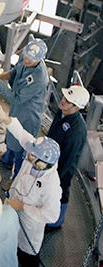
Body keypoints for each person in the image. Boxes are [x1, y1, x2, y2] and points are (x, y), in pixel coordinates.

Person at [0, 102, 61, 267]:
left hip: (31, 227)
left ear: (44, 163)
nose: (28, 156)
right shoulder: (36, 153)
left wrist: (22, 207)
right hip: (13, 209)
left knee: (28, 258)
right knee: (11, 244)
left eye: (33, 157)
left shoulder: (51, 186)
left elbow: (52, 215)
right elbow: (22, 134)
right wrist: (5, 118)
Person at [0, 37, 49, 182]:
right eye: (25, 56)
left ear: (39, 60)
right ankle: (7, 159)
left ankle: (15, 179)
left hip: (28, 114)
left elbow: (16, 98)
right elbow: (14, 72)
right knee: (11, 135)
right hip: (17, 108)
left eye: (30, 60)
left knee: (22, 147)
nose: (26, 60)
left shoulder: (39, 78)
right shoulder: (25, 57)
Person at [46, 81, 89, 229]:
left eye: (68, 101)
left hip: (62, 168)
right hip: (51, 158)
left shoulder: (76, 132)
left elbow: (67, 160)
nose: (63, 101)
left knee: (61, 189)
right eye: (64, 97)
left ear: (76, 107)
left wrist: (54, 176)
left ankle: (57, 221)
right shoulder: (63, 111)